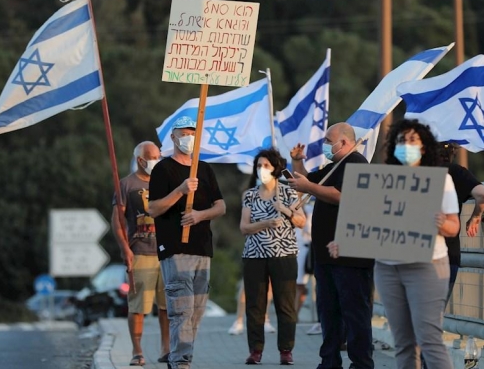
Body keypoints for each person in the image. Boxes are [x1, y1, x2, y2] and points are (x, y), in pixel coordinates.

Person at [329, 119, 460, 369]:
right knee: (403, 342)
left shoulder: (439, 181)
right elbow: (365, 222)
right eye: (401, 141)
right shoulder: (381, 180)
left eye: (412, 140)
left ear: (424, 147)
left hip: (428, 266)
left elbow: (454, 228)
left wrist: (441, 223)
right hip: (388, 268)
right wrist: (344, 242)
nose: (405, 145)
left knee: (429, 338)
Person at [287, 122, 375, 369]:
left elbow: (341, 195)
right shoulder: (332, 166)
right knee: (328, 312)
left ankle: (361, 362)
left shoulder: (356, 163)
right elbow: (307, 181)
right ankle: (329, 361)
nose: (326, 145)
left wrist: (309, 187)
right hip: (326, 255)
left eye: (329, 140)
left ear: (345, 142)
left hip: (351, 255)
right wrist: (296, 162)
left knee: (355, 312)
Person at [147, 116, 226, 369]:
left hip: (202, 247)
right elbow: (154, 208)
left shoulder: (204, 169)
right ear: (173, 137)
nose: (188, 138)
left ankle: (179, 356)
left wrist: (200, 215)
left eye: (192, 133)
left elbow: (221, 206)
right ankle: (181, 361)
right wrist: (180, 190)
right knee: (181, 308)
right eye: (184, 133)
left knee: (197, 310)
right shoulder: (163, 169)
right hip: (175, 248)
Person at [240, 148, 306, 365]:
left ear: (276, 168)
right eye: (259, 166)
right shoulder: (250, 195)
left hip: (283, 254)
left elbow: (301, 221)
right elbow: (244, 227)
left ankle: (286, 349)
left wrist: (285, 210)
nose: (262, 169)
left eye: (266, 165)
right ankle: (255, 350)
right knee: (255, 305)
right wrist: (266, 223)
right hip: (255, 255)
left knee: (285, 304)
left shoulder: (287, 192)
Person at [112, 141, 171, 366]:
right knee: (138, 307)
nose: (156, 161)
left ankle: (166, 349)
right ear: (140, 160)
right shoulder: (126, 185)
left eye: (158, 156)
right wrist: (124, 248)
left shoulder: (166, 183)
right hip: (141, 252)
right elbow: (117, 222)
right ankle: (137, 351)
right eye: (152, 157)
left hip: (166, 253)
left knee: (167, 306)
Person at [437, 142, 484, 300]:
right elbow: (482, 194)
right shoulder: (455, 172)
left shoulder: (413, 171)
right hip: (447, 255)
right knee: (433, 315)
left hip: (412, 256)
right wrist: (476, 215)